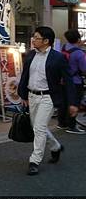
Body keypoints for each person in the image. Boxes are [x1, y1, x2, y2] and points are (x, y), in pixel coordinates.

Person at [18, 26, 78, 176]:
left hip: (48, 97)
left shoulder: (58, 58)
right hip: (32, 96)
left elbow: (69, 81)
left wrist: (73, 103)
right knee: (37, 127)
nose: (33, 40)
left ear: (46, 41)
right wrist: (23, 95)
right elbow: (25, 76)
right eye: (33, 37)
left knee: (39, 127)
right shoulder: (31, 55)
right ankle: (56, 146)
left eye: (36, 38)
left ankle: (34, 161)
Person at [60, 29, 86, 134]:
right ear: (78, 39)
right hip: (75, 81)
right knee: (74, 102)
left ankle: (61, 123)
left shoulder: (64, 48)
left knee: (64, 102)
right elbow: (84, 69)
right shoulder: (79, 53)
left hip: (63, 80)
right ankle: (72, 126)